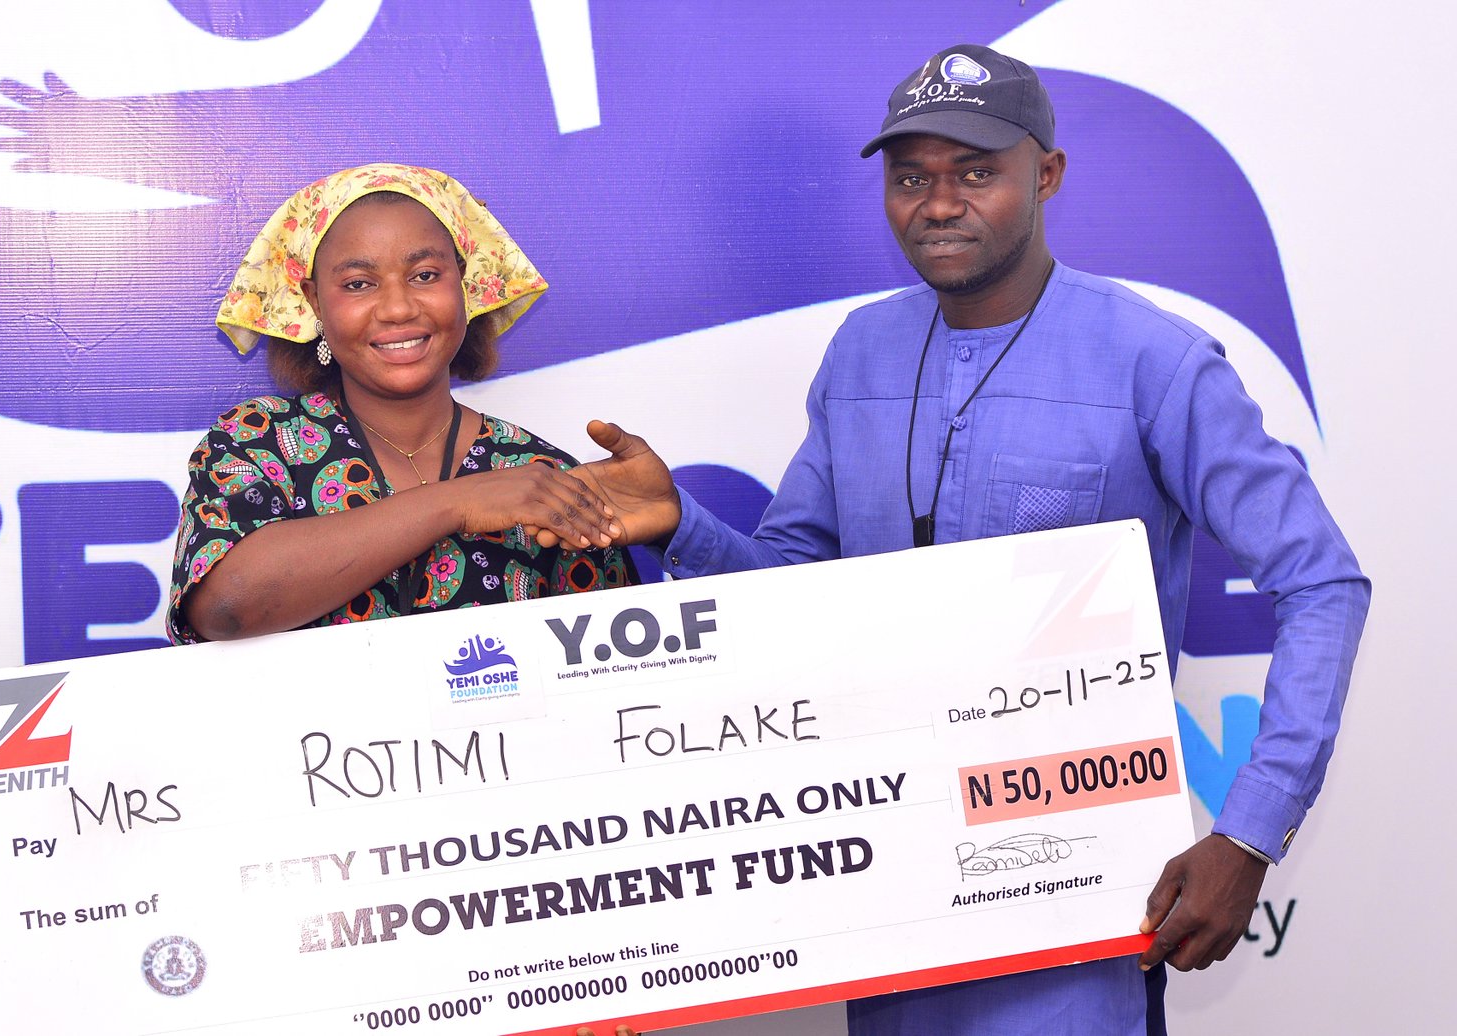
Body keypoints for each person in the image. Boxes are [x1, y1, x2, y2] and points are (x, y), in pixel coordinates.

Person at [551, 44, 1370, 1036]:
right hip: (890, 882)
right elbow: (795, 593)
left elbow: (1321, 580)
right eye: (911, 179)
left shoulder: (1151, 358)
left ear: (1046, 175)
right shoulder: (862, 350)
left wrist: (1248, 832)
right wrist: (683, 524)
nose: (939, 204)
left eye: (976, 173)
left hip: (1072, 887)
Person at [167, 163, 635, 643]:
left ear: (463, 283)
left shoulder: (538, 473)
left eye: (425, 275)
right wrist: (458, 502)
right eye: (358, 283)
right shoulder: (257, 441)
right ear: (314, 301)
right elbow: (223, 610)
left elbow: (613, 661)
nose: (398, 308)